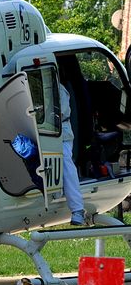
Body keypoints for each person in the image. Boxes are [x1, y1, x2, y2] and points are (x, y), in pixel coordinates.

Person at [59, 83, 86, 225]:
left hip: (60, 132)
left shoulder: (59, 89)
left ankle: (78, 210)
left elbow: (57, 114)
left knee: (65, 162)